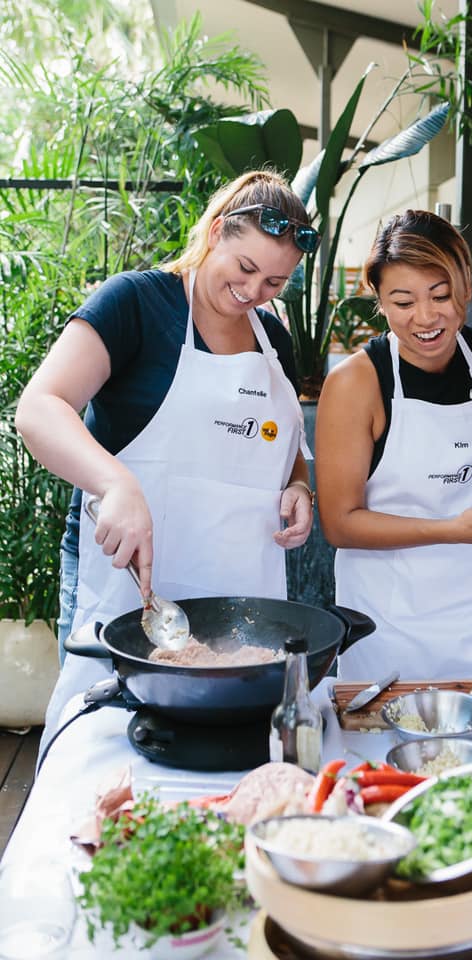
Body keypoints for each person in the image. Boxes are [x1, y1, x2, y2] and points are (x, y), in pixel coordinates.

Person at [16, 169, 318, 752]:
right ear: (214, 231)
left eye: (275, 281)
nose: (254, 292)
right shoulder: (136, 303)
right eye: (246, 268)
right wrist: (115, 482)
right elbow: (38, 409)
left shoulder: (273, 339)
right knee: (102, 758)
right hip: (134, 597)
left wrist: (300, 488)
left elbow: (289, 453)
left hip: (240, 611)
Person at [315, 210, 472, 769]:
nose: (426, 318)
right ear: (376, 299)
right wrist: (454, 529)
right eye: (403, 302)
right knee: (386, 785)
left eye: (441, 295)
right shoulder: (355, 383)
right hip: (386, 628)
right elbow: (339, 522)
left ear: (466, 285)